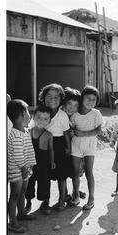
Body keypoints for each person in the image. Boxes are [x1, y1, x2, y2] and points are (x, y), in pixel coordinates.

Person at [36, 83, 72, 211]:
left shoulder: (62, 115)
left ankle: (62, 199)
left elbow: (66, 132)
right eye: (49, 96)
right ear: (43, 97)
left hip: (59, 145)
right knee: (45, 175)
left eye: (56, 97)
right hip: (44, 146)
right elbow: (32, 127)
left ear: (61, 98)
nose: (52, 99)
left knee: (61, 175)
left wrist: (69, 148)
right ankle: (45, 201)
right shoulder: (40, 112)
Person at [69, 85, 105, 210]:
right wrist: (72, 133)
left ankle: (91, 199)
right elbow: (71, 129)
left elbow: (98, 131)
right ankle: (76, 196)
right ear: (81, 99)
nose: (91, 101)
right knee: (75, 173)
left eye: (94, 99)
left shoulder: (96, 114)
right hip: (76, 146)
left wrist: (83, 134)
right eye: (88, 98)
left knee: (89, 172)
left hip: (90, 146)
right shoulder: (74, 115)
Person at [7, 99, 36, 233]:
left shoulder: (24, 130)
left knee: (22, 192)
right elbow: (18, 155)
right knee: (15, 195)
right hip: (18, 170)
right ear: (23, 115)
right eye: (28, 111)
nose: (30, 115)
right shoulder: (16, 135)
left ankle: (22, 213)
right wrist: (24, 168)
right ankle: (12, 222)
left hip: (25, 169)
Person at [25, 105, 55, 215]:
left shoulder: (49, 135)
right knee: (29, 183)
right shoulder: (27, 132)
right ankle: (28, 202)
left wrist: (52, 161)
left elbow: (51, 150)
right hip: (30, 164)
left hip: (44, 163)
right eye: (38, 117)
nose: (41, 121)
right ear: (33, 117)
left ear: (49, 121)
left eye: (45, 119)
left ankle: (46, 202)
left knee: (45, 182)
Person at [62, 87, 86, 199]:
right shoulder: (60, 114)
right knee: (64, 170)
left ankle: (75, 190)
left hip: (75, 146)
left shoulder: (76, 116)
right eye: (69, 104)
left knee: (76, 169)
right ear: (64, 103)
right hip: (62, 145)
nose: (72, 108)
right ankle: (64, 193)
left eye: (76, 105)